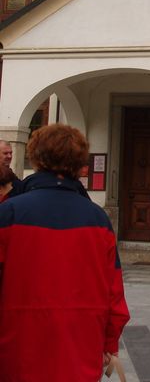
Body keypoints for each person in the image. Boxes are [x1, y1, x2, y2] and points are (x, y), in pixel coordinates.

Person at [0, 123, 130, 382]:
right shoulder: (97, 218)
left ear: (36, 158)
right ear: (80, 164)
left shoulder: (9, 212)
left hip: (17, 347)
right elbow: (114, 292)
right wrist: (109, 342)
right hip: (80, 346)